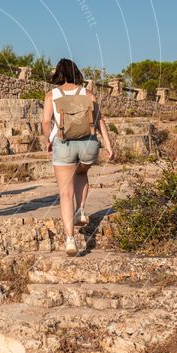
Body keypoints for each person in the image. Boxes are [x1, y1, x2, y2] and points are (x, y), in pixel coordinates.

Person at [42, 58, 114, 256]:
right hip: (88, 144)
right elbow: (100, 120)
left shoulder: (52, 95)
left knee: (65, 193)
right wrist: (108, 145)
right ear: (76, 72)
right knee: (81, 173)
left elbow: (46, 122)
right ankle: (81, 209)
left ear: (58, 74)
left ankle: (70, 240)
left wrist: (48, 140)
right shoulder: (88, 94)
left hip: (63, 144)